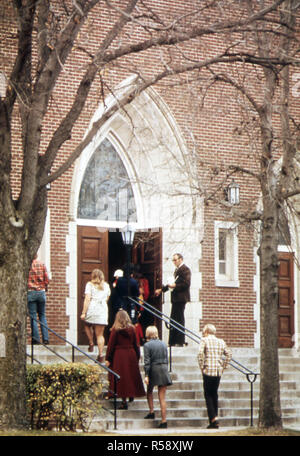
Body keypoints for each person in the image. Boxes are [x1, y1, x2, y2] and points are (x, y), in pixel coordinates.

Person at [105, 309, 145, 409]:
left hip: (119, 355)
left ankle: (124, 401)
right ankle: (131, 394)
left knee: (122, 378)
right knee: (130, 376)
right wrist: (137, 355)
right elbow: (136, 343)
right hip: (130, 353)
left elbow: (111, 344)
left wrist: (108, 358)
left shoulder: (115, 329)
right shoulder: (132, 329)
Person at [197, 324, 232, 429]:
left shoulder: (204, 340)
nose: (203, 333)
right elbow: (229, 354)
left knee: (208, 394)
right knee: (214, 394)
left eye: (204, 331)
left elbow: (200, 354)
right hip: (217, 371)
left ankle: (213, 418)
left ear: (206, 331)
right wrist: (224, 366)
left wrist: (202, 367)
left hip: (208, 370)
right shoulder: (221, 341)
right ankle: (214, 420)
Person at [155, 253, 191, 346]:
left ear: (181, 259)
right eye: (173, 260)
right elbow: (172, 283)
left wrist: (175, 286)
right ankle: (173, 341)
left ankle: (179, 341)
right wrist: (161, 290)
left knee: (179, 319)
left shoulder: (185, 270)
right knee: (173, 319)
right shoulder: (177, 270)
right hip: (175, 298)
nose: (174, 262)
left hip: (181, 298)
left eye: (175, 260)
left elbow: (186, 284)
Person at [143, 326, 172, 429]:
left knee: (149, 391)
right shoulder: (164, 344)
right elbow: (167, 359)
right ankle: (164, 421)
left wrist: (146, 375)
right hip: (164, 368)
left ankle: (151, 411)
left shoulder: (147, 345)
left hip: (153, 369)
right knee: (162, 397)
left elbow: (147, 361)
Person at [80, 269, 111, 362]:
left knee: (86, 324)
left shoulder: (89, 285)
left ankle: (91, 342)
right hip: (102, 309)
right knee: (100, 335)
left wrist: (83, 312)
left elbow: (87, 299)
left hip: (93, 307)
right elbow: (107, 299)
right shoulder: (106, 286)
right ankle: (101, 355)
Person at [27, 254, 50, 345]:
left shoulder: (28, 265)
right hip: (41, 292)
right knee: (42, 315)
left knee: (33, 316)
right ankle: (46, 338)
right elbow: (47, 280)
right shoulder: (42, 264)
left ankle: (36, 339)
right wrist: (44, 288)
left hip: (31, 291)